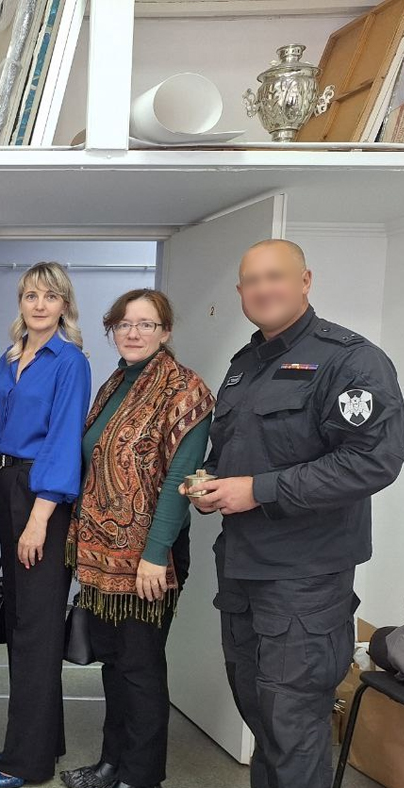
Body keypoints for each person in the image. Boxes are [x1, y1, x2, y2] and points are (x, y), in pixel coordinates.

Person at [183, 239, 404, 788]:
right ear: (241, 292)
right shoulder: (245, 365)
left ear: (305, 281)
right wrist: (212, 482)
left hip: (304, 582)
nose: (263, 289)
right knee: (261, 717)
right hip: (243, 571)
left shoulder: (351, 361)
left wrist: (258, 490)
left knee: (293, 726)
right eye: (252, 281)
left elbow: (370, 463)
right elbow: (239, 453)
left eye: (275, 276)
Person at [61, 289, 214, 788]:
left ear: (165, 332)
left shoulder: (184, 390)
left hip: (151, 555)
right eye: (124, 324)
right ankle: (112, 764)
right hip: (103, 556)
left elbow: (179, 481)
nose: (133, 332)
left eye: (146, 324)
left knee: (141, 669)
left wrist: (154, 554)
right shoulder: (115, 383)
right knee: (113, 663)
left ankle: (140, 776)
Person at [0, 262, 91, 788]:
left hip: (41, 495)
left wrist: (39, 519)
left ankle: (26, 763)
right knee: (24, 617)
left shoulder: (70, 361)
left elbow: (64, 440)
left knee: (37, 627)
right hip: (8, 485)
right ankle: (42, 741)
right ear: (21, 303)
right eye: (31, 295)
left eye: (51, 296)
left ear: (64, 304)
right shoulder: (12, 357)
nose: (40, 304)